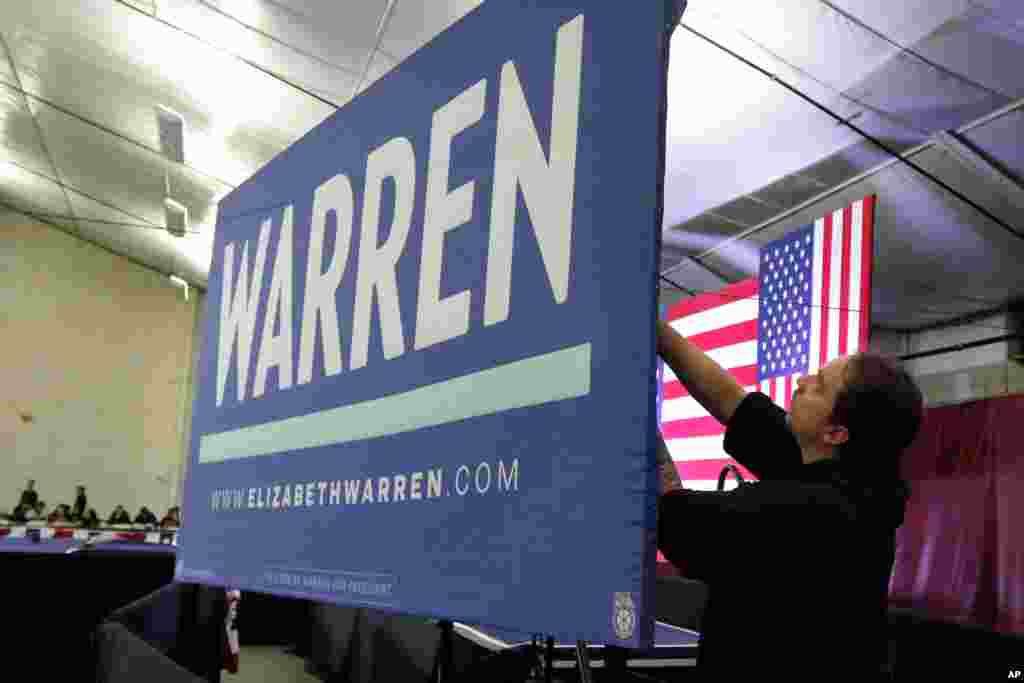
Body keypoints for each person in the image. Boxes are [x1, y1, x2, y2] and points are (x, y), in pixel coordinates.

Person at [654, 319, 923, 680]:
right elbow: (733, 402)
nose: (801, 382)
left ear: (836, 432)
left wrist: (627, 399)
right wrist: (658, 334)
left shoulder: (802, 514)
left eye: (818, 387)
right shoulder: (855, 478)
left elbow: (667, 509)